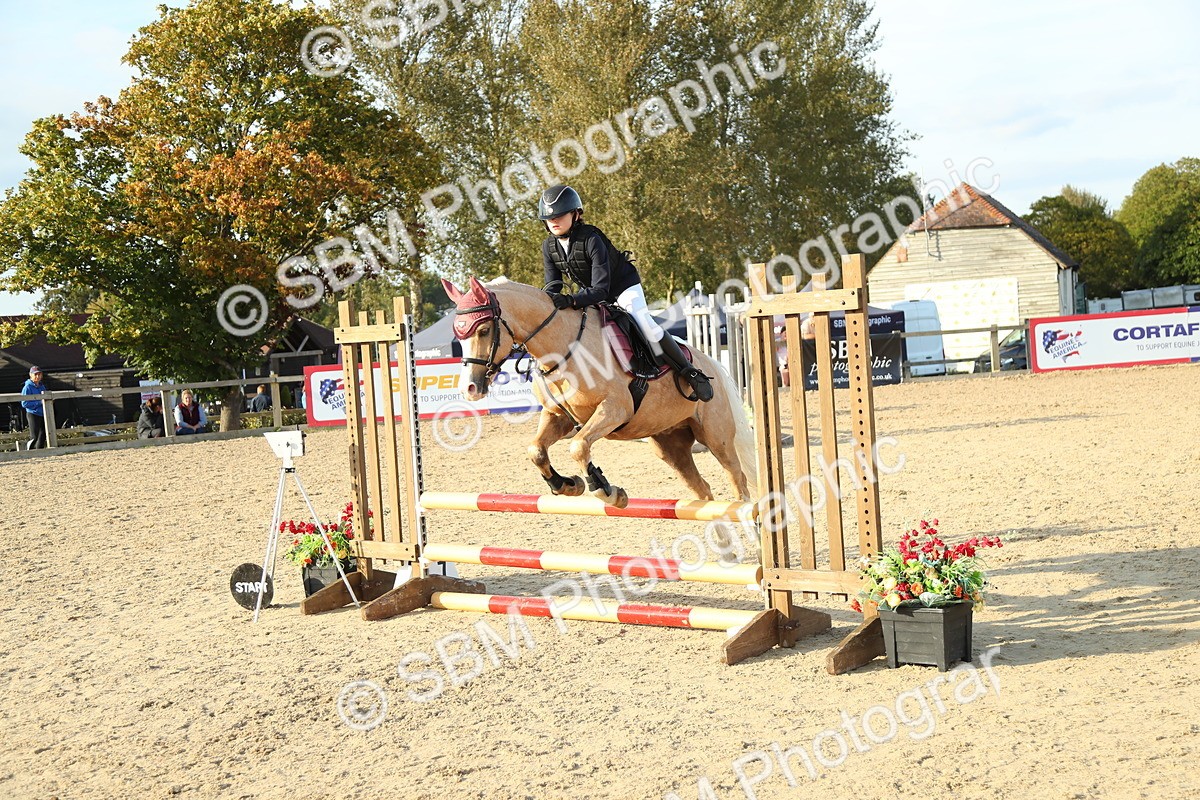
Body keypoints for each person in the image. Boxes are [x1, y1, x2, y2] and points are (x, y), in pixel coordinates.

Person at [538, 184, 713, 401]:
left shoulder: (592, 238)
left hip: (622, 287)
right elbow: (552, 286)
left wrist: (572, 299)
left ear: (575, 214)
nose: (554, 221)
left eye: (560, 215)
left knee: (644, 323)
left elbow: (601, 289)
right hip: (590, 292)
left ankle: (691, 372)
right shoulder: (549, 247)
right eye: (549, 218)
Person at [20, 366, 47, 450]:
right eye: (35, 374)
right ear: (30, 375)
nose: (38, 376)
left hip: (43, 413)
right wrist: (39, 402)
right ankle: (28, 450)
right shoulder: (27, 387)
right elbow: (24, 403)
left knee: (43, 434)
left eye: (39, 374)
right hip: (33, 413)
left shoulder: (42, 386)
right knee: (34, 436)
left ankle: (40, 451)